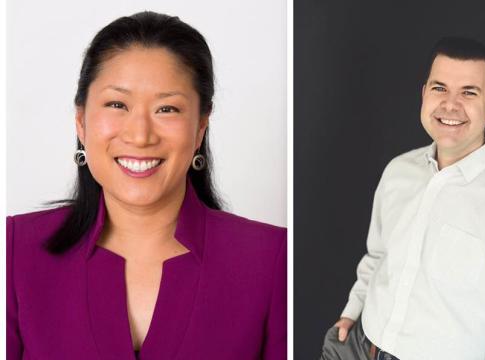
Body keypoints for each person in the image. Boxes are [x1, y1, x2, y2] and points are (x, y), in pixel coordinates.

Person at [6, 11, 286, 360]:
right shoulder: (15, 252)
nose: (140, 135)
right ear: (81, 121)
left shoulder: (271, 259)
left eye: (167, 109)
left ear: (200, 127)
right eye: (117, 104)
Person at [321, 37, 485, 360]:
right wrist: (351, 312)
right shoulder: (398, 172)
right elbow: (377, 258)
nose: (450, 104)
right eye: (439, 88)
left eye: (468, 92)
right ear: (424, 94)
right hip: (355, 347)